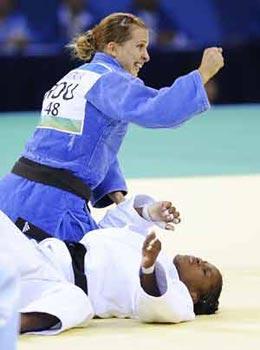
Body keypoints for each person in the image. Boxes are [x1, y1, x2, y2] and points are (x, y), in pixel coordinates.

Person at [0, 12, 224, 242]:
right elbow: (158, 109)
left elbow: (90, 143)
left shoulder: (74, 77)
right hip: (50, 208)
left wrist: (117, 197)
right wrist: (202, 74)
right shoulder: (109, 80)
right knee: (74, 273)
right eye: (139, 46)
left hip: (12, 192)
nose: (146, 56)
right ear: (113, 48)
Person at [0, 194, 222, 334]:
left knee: (78, 305)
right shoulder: (140, 241)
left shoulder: (175, 292)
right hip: (43, 256)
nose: (201, 261)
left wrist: (148, 269)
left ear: (193, 295)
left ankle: (11, 325)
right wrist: (148, 212)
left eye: (205, 271)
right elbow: (110, 226)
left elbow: (162, 308)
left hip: (57, 288)